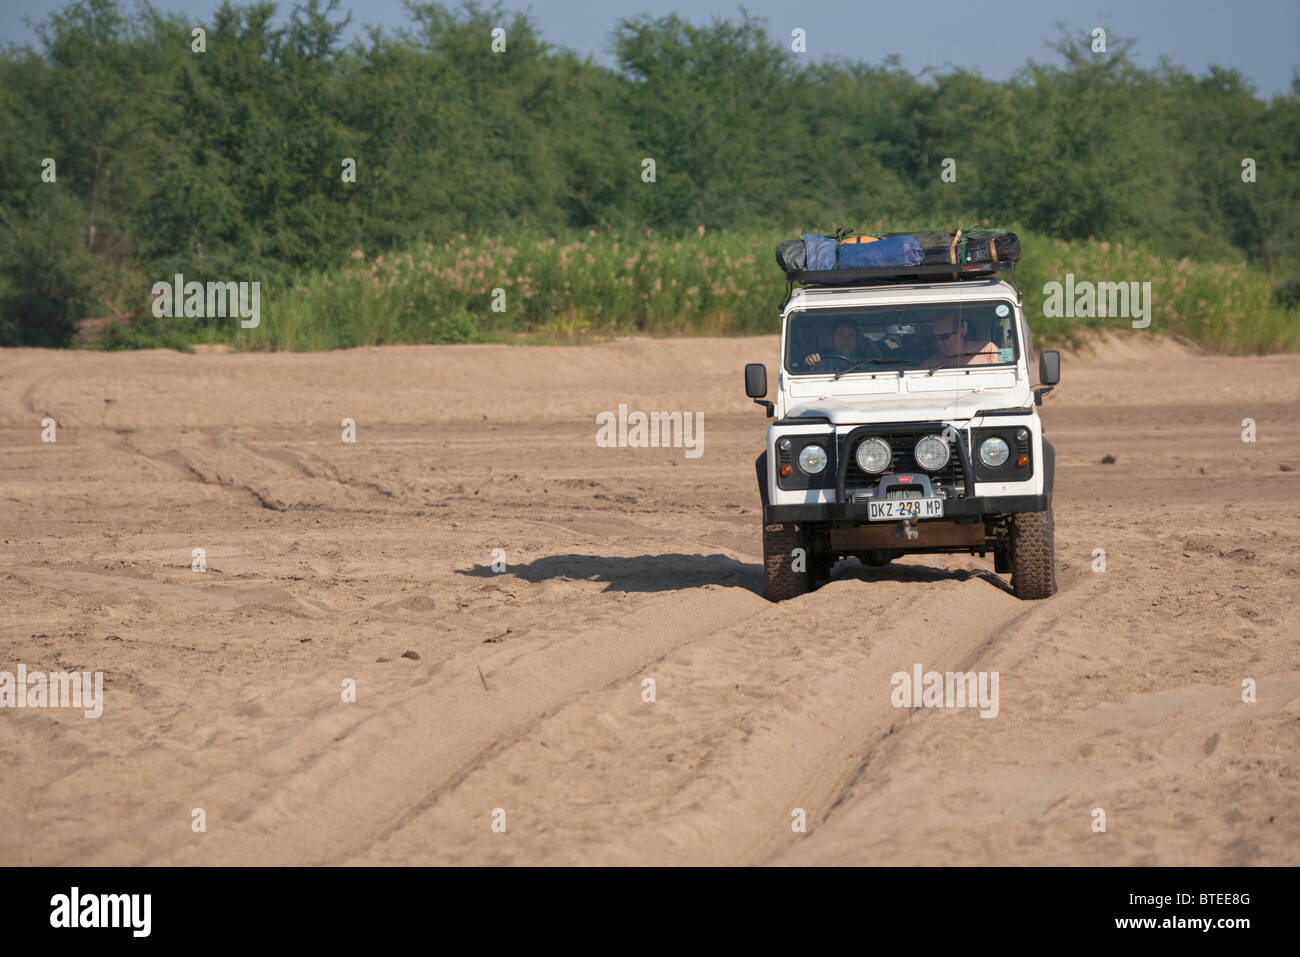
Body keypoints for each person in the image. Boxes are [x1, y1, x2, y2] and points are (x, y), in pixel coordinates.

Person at [921, 311, 999, 368]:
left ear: (960, 333)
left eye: (944, 337)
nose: (939, 343)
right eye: (934, 338)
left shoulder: (987, 350)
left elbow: (1001, 376)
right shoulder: (929, 364)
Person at [802, 319, 868, 373]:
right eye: (840, 335)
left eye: (851, 336)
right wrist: (811, 366)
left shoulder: (865, 367)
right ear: (831, 341)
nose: (845, 340)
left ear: (857, 342)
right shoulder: (819, 366)